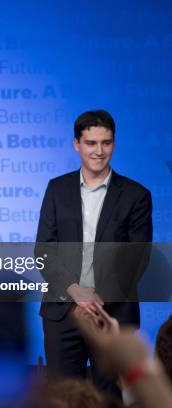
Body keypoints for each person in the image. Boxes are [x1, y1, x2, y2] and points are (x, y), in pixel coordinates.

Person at [36, 110, 153, 396]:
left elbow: (137, 258)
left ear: (113, 144)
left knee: (109, 396)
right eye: (91, 143)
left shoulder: (136, 195)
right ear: (77, 144)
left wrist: (97, 301)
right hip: (63, 313)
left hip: (113, 315)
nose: (99, 151)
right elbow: (44, 249)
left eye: (106, 143)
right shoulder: (57, 189)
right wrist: (75, 291)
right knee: (63, 397)